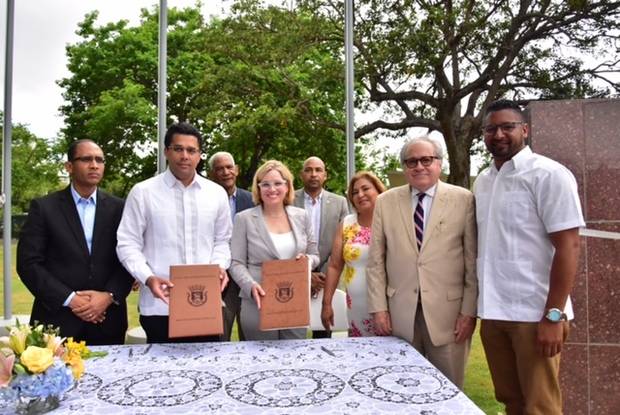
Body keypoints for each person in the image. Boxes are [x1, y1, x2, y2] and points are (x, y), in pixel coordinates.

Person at [475, 99, 584, 414]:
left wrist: (553, 315)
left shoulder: (549, 175)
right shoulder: (484, 180)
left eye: (507, 127)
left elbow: (569, 246)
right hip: (494, 313)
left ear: (525, 129)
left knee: (541, 407)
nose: (499, 134)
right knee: (512, 402)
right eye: (491, 128)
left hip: (534, 315)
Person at [366, 136, 477, 389]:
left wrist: (468, 312)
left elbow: (472, 262)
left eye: (426, 160)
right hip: (399, 316)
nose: (419, 166)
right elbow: (375, 262)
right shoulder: (385, 202)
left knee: (448, 392)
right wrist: (379, 309)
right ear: (405, 167)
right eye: (412, 161)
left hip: (448, 318)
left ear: (439, 163)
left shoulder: (464, 199)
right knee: (401, 390)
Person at [116, 122, 232, 344]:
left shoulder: (216, 194)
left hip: (204, 304)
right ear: (166, 151)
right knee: (161, 375)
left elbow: (222, 240)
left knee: (208, 372)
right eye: (178, 149)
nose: (185, 156)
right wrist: (147, 278)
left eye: (191, 150)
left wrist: (218, 267)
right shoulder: (143, 192)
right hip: (160, 306)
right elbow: (127, 243)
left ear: (199, 155)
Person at [17, 139, 133, 345]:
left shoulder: (120, 208)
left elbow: (130, 256)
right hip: (57, 323)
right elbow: (28, 264)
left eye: (99, 160)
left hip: (107, 321)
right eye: (86, 159)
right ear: (69, 166)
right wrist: (72, 300)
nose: (94, 165)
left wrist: (108, 296)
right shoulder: (44, 208)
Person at [229, 160, 319, 340]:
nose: (272, 189)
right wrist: (250, 285)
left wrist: (307, 261)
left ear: (287, 186)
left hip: (294, 301)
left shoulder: (301, 216)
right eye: (266, 184)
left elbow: (314, 254)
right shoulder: (244, 219)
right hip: (258, 302)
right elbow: (236, 262)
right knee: (262, 361)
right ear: (258, 188)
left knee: (294, 358)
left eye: (278, 183)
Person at [321, 171, 386, 336]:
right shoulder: (347, 224)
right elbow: (335, 266)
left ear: (379, 191)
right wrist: (327, 304)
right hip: (356, 307)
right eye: (355, 192)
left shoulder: (392, 221)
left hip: (388, 306)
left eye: (366, 189)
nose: (360, 195)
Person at [293, 156, 348, 338]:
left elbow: (343, 243)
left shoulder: (340, 202)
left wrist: (323, 276)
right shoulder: (289, 199)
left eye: (318, 170)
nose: (313, 174)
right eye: (308, 170)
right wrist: (306, 274)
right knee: (293, 330)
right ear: (302, 175)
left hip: (327, 274)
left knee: (323, 330)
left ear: (325, 175)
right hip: (295, 271)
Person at [208, 151, 254, 341]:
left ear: (236, 170)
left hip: (247, 276)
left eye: (229, 167)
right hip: (219, 279)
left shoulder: (252, 200)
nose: (226, 172)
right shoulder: (205, 201)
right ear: (212, 174)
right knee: (219, 335)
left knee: (250, 335)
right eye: (219, 169)